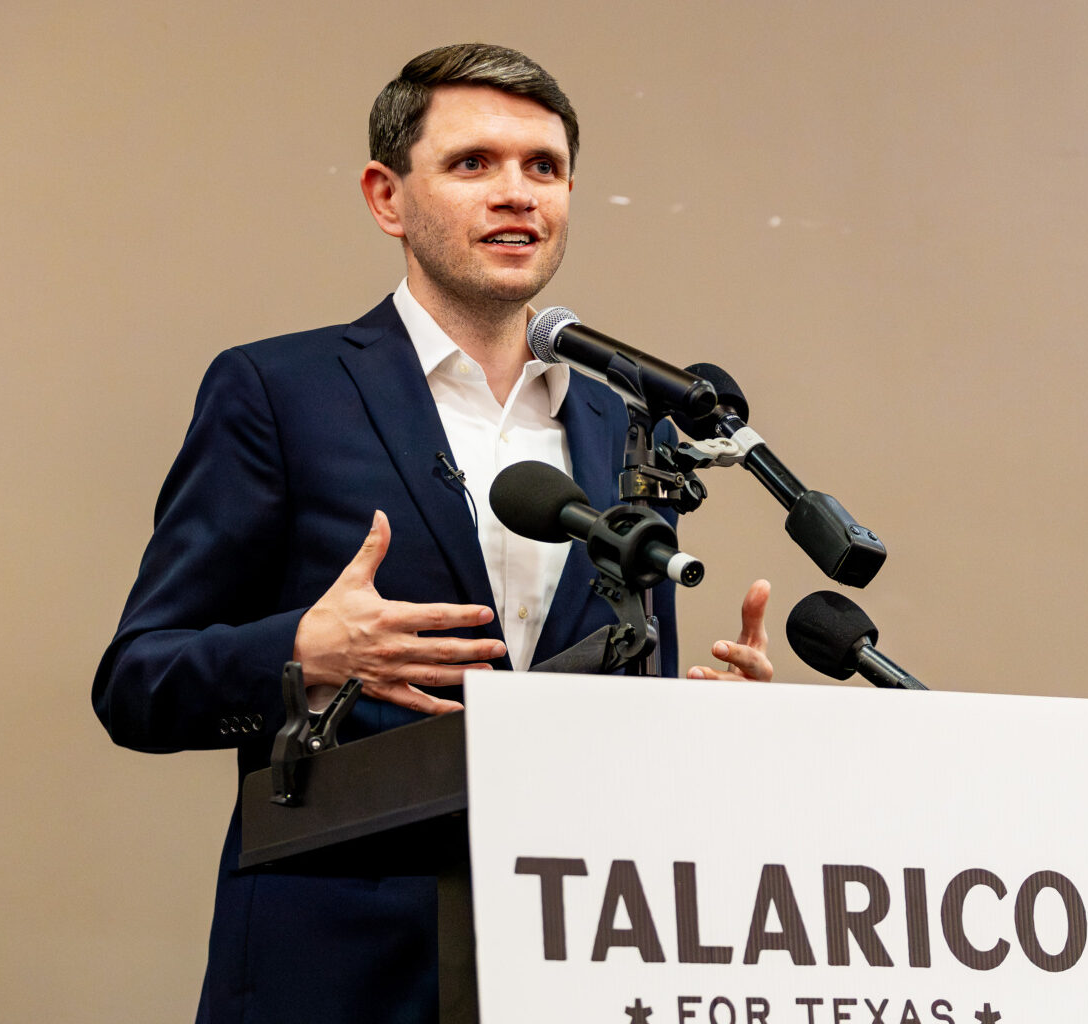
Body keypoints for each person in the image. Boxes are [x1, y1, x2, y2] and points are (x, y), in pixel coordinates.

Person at [93, 43, 772, 1023]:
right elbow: (136, 683)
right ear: (386, 196)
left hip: (574, 962)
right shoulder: (282, 395)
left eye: (544, 167)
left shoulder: (629, 428)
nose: (517, 194)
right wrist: (303, 651)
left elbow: (617, 720)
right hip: (342, 973)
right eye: (473, 164)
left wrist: (709, 735)